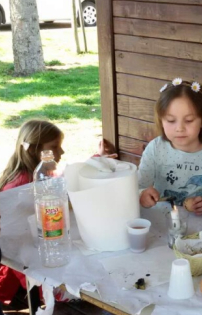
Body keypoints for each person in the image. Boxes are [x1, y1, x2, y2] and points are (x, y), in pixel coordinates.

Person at [0, 119, 116, 304]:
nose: (61, 152)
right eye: (55, 147)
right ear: (33, 150)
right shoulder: (20, 186)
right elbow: (15, 246)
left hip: (49, 248)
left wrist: (96, 158)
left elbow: (65, 179)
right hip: (33, 277)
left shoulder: (40, 174)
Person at [139, 78, 202, 217]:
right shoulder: (155, 148)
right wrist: (142, 195)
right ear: (161, 120)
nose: (180, 128)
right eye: (171, 121)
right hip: (165, 222)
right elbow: (139, 186)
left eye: (189, 120)